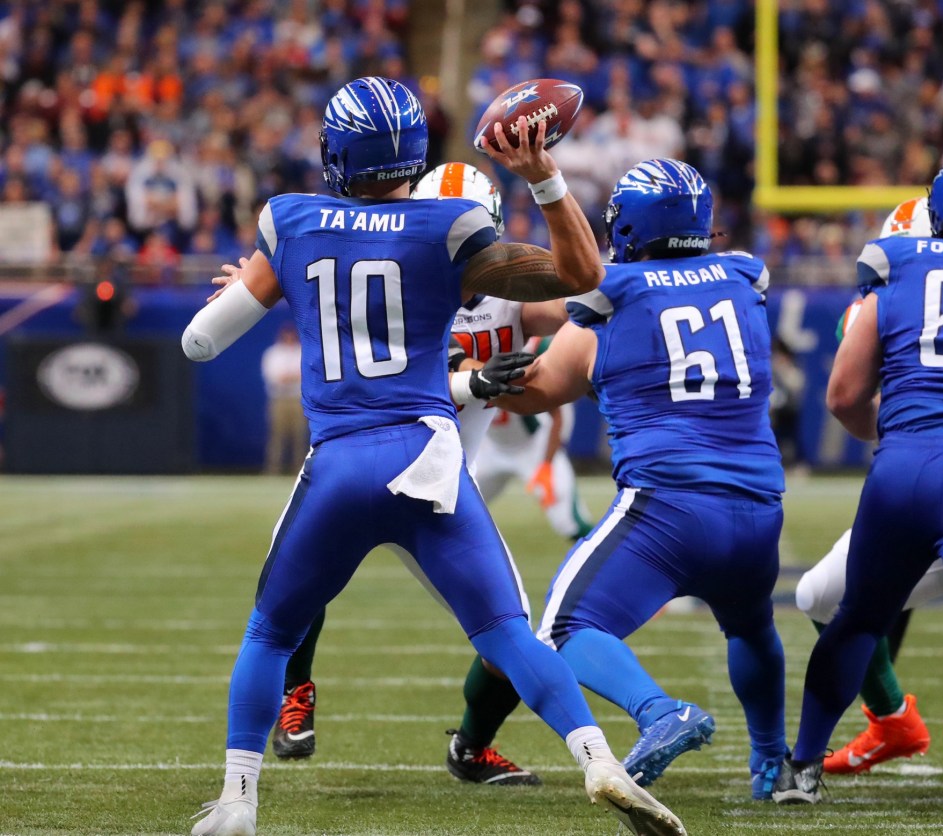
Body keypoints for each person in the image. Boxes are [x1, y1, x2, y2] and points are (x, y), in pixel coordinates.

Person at [181, 78, 684, 836]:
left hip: (340, 461)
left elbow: (200, 341)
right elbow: (583, 276)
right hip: (429, 460)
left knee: (271, 634)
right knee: (508, 633)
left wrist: (267, 283)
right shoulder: (447, 227)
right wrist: (543, 176)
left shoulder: (290, 221)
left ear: (337, 152)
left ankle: (237, 801)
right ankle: (600, 761)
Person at [476, 159, 789, 800]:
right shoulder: (745, 276)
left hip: (668, 508)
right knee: (752, 627)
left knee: (563, 628)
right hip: (759, 506)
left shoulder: (611, 296)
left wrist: (468, 364)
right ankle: (772, 764)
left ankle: (658, 711)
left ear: (629, 226)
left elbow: (537, 390)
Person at [266, 161, 570, 790]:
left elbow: (584, 303)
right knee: (290, 586)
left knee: (513, 645)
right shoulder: (391, 280)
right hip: (360, 454)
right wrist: (249, 286)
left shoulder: (509, 293)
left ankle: (471, 746)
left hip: (441, 489)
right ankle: (296, 692)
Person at [774, 149, 943, 804]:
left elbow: (842, 396)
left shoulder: (896, 262)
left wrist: (904, 432)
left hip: (904, 470)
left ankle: (802, 767)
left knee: (854, 618)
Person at [794, 197, 939, 776]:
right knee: (820, 594)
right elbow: (847, 395)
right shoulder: (879, 307)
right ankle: (891, 721)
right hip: (925, 490)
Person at [473, 337, 594, 544]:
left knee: (568, 521)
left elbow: (559, 413)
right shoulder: (465, 344)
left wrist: (547, 464)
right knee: (451, 509)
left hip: (535, 448)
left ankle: (608, 558)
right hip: (489, 446)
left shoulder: (534, 347)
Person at [260, 322, 307, 475]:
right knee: (277, 435)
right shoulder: (273, 353)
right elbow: (275, 377)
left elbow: (304, 375)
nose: (288, 338)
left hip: (297, 399)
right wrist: (291, 376)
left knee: (299, 436)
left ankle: (299, 470)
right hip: (279, 399)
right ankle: (273, 469)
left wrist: (289, 377)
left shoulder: (302, 351)